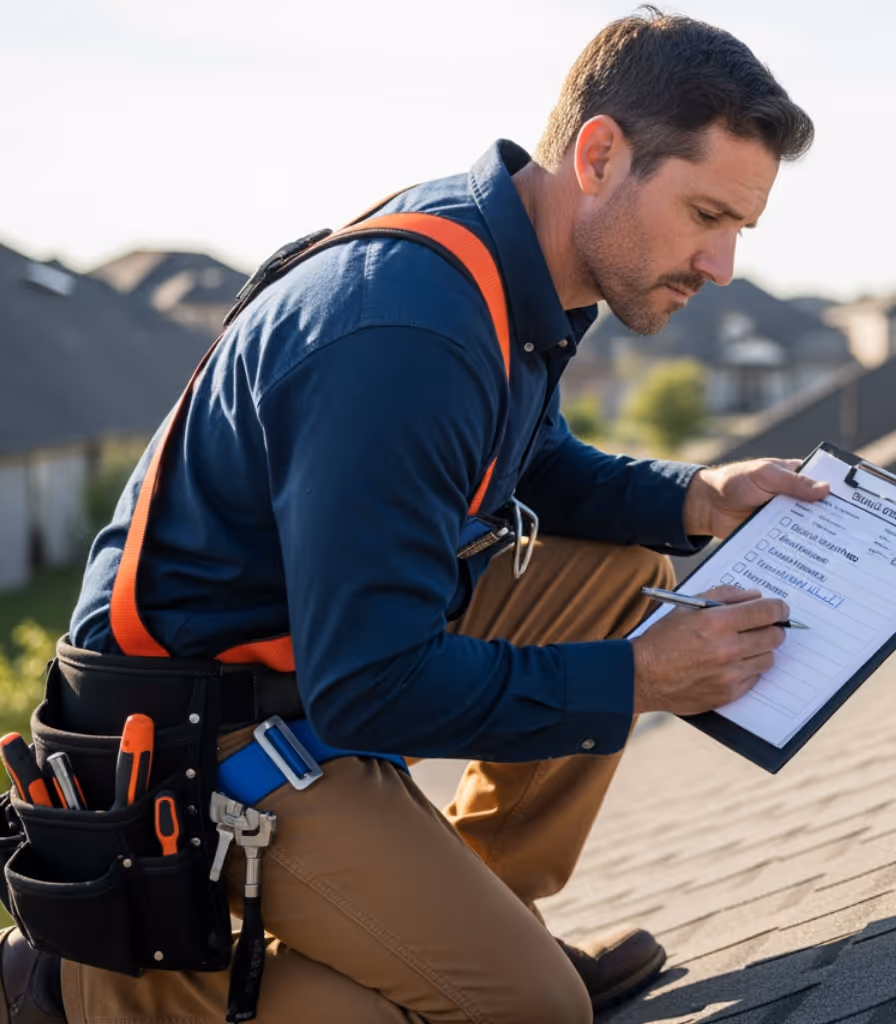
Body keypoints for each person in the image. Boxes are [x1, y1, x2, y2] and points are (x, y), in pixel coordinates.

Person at [0, 9, 822, 1023]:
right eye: (706, 215)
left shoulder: (510, 263)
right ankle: (81, 991)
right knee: (533, 1012)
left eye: (739, 227)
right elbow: (370, 684)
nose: (721, 264)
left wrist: (695, 496)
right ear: (601, 155)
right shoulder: (409, 328)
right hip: (203, 738)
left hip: (308, 667)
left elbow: (533, 462)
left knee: (625, 578)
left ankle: (480, 911)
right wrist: (640, 676)